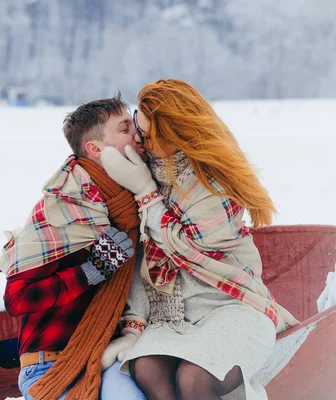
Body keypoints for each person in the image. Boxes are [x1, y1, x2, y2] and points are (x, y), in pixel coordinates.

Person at [100, 79, 299, 400]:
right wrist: (134, 324)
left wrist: (146, 195)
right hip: (175, 315)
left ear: (174, 135)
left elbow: (187, 250)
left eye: (148, 135)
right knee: (148, 369)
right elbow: (142, 255)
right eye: (137, 124)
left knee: (194, 380)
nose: (139, 138)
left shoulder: (211, 181)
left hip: (230, 304)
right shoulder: (149, 168)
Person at [0, 94, 147, 400]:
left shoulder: (136, 201)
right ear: (95, 149)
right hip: (48, 364)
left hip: (107, 355)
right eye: (124, 129)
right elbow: (17, 298)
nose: (137, 134)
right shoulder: (62, 208)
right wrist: (90, 271)